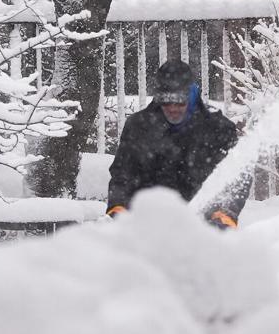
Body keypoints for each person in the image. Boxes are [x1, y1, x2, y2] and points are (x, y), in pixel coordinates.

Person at [106, 59, 249, 228]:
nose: (173, 107)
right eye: (166, 100)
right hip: (147, 226)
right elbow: (123, 175)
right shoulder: (138, 127)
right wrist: (118, 208)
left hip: (204, 227)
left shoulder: (218, 129)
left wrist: (225, 213)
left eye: (180, 99)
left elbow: (237, 177)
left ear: (191, 94)